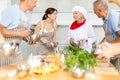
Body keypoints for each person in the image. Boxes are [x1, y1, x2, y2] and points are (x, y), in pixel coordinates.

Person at [0, 0, 37, 66]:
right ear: (28, 1)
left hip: (16, 51)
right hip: (6, 51)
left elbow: (18, 31)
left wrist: (27, 39)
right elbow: (1, 30)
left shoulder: (24, 15)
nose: (36, 5)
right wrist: (20, 33)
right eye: (35, 1)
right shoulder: (12, 10)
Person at [93, 0, 120, 71]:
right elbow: (111, 33)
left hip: (118, 55)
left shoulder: (113, 17)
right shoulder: (106, 19)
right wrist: (103, 40)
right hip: (113, 54)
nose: (94, 13)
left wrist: (107, 45)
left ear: (100, 10)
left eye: (95, 11)